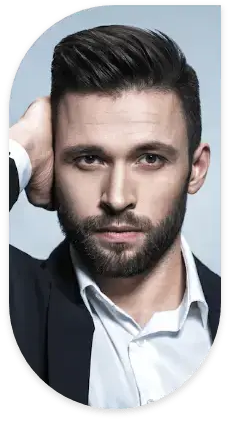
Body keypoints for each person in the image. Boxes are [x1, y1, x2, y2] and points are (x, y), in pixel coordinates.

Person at [9, 25, 221, 410]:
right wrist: (21, 144)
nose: (117, 198)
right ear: (53, 162)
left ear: (196, 169)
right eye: (89, 158)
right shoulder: (16, 301)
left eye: (150, 158)